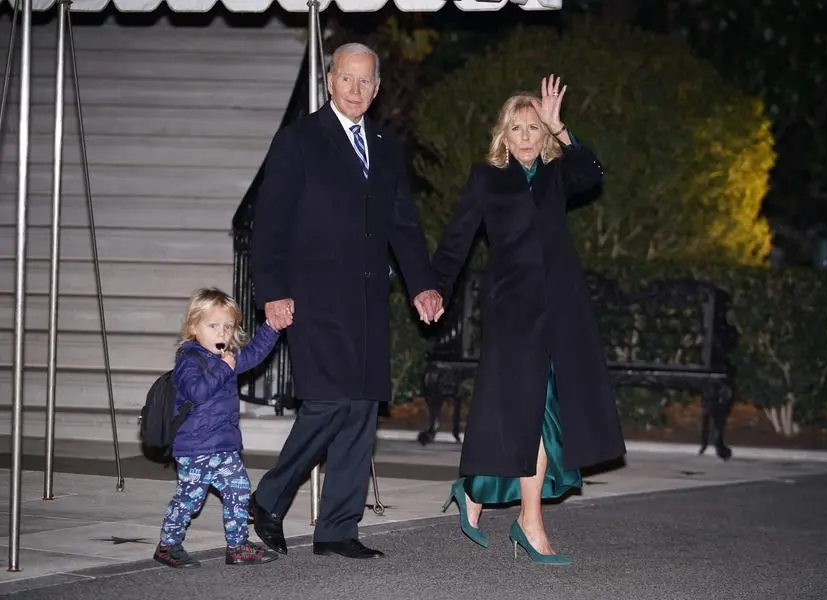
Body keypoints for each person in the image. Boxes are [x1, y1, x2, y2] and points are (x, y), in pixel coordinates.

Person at [250, 42, 443, 560]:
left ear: (377, 89)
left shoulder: (385, 145)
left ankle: (337, 527)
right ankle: (269, 497)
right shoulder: (300, 139)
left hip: (367, 299)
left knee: (361, 409)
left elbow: (402, 223)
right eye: (346, 79)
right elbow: (270, 223)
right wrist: (272, 291)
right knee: (331, 401)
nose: (355, 89)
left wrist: (422, 283)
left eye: (366, 81)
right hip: (312, 296)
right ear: (329, 82)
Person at [431, 75, 626, 565]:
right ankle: (529, 521)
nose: (525, 135)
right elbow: (457, 240)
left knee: (537, 412)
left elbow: (593, 172)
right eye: (516, 127)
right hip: (513, 311)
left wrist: (563, 129)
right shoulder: (486, 178)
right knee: (530, 409)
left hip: (560, 310)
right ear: (503, 134)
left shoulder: (558, 175)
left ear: (543, 136)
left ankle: (477, 491)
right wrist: (434, 288)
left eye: (534, 128)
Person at [154, 288, 284, 568]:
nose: (221, 333)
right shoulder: (189, 360)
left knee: (238, 491)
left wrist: (271, 327)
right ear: (194, 327)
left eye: (227, 326)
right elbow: (197, 392)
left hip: (224, 446)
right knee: (190, 500)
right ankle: (167, 545)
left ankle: (237, 546)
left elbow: (254, 354)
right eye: (213, 326)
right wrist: (225, 368)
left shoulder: (229, 359)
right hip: (195, 449)